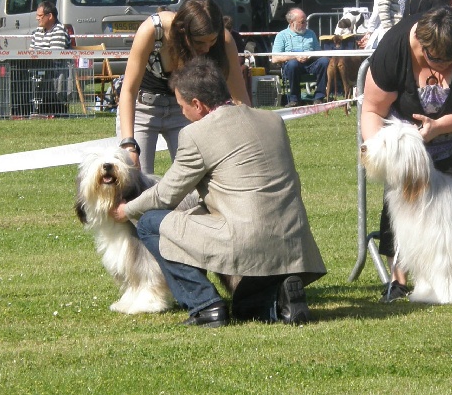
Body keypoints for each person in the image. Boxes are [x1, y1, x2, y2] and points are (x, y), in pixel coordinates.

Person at [112, 57, 327, 327]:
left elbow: (165, 195)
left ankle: (205, 305)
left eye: (181, 107)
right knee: (245, 309)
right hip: (293, 243)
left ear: (198, 105)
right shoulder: (272, 120)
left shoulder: (196, 134)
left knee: (150, 223)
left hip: (246, 241)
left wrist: (126, 210)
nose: (182, 113)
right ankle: (281, 301)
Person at [361, 6, 452, 302]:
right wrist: (381, 151)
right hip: (406, 145)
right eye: (434, 59)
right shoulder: (392, 49)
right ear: (421, 44)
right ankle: (399, 280)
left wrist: (440, 126)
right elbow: (372, 109)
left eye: (450, 62)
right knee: (404, 204)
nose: (443, 68)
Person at [117, 0, 250, 174]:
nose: (207, 48)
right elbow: (128, 91)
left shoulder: (224, 40)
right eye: (200, 42)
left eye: (212, 41)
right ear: (182, 31)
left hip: (186, 111)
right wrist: (129, 144)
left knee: (197, 179)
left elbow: (240, 98)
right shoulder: (153, 30)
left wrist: (251, 136)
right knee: (136, 178)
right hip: (142, 109)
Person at [271, 7, 329, 107]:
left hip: (310, 62)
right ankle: (295, 99)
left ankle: (319, 97)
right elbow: (275, 58)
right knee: (293, 64)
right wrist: (295, 57)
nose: (305, 24)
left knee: (324, 61)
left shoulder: (311, 33)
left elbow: (318, 52)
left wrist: (310, 55)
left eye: (305, 22)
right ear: (292, 22)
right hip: (292, 64)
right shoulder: (281, 35)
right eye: (302, 22)